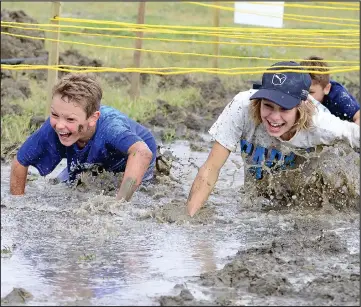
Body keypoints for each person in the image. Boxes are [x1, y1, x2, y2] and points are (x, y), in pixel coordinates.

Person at [186, 61, 360, 217]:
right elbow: (211, 167)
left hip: (306, 197)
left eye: (284, 109)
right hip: (260, 193)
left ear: (301, 108)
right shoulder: (241, 107)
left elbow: (354, 135)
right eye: (268, 106)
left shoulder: (321, 125)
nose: (274, 118)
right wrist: (190, 220)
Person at [10, 73, 157, 201]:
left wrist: (118, 205)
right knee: (62, 186)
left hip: (131, 160)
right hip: (90, 158)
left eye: (70, 119)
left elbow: (142, 153)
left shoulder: (111, 127)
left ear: (93, 118)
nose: (60, 125)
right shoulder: (53, 127)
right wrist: (18, 203)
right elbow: (20, 162)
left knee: (125, 193)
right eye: (55, 115)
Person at [300, 56, 360, 125]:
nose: (305, 96)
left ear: (326, 89)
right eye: (301, 90)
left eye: (310, 92)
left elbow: (359, 116)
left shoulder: (339, 98)